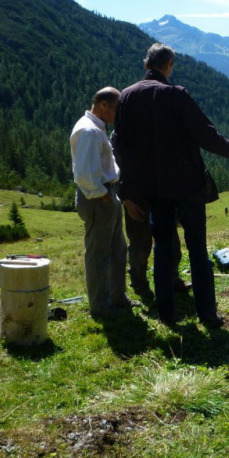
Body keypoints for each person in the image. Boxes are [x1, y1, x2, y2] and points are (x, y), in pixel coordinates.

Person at [114, 43, 229, 328]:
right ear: (169, 64)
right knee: (197, 249)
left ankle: (166, 315)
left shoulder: (125, 97)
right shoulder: (175, 95)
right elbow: (205, 134)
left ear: (146, 65)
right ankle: (207, 314)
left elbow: (121, 148)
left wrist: (127, 193)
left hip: (154, 191)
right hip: (187, 186)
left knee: (162, 249)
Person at [70, 87, 132, 319]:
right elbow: (86, 175)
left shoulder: (97, 128)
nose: (118, 115)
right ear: (103, 105)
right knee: (98, 254)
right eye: (116, 109)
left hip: (107, 195)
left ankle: (117, 297)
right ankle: (100, 305)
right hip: (98, 199)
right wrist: (103, 194)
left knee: (118, 248)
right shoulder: (89, 132)